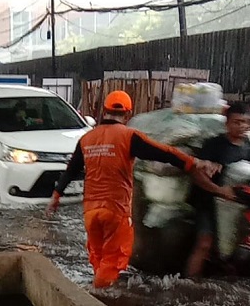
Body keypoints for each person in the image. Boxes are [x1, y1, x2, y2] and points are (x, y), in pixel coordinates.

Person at [46, 90, 234, 288]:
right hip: (115, 211)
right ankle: (96, 296)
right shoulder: (129, 136)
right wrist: (195, 162)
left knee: (98, 257)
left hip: (91, 212)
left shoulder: (87, 139)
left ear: (105, 111)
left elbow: (70, 171)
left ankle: (96, 287)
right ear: (127, 114)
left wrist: (55, 197)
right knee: (113, 260)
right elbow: (165, 153)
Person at [185, 101, 250, 278]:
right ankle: (189, 284)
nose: (242, 126)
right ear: (227, 123)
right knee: (204, 244)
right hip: (207, 199)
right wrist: (219, 190)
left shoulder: (247, 145)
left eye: (246, 122)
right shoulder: (214, 144)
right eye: (237, 122)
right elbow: (195, 173)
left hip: (232, 203)